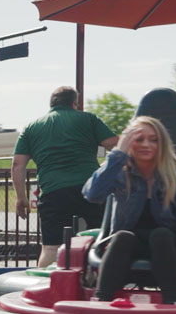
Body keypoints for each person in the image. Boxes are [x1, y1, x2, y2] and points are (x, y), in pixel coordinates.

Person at [83, 115, 176, 304]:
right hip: (130, 245)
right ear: (128, 142)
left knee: (160, 234)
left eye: (153, 140)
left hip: (171, 245)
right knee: (122, 236)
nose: (146, 144)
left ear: (161, 144)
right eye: (139, 139)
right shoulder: (119, 170)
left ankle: (172, 301)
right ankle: (101, 299)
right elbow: (92, 194)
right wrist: (118, 154)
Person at [12, 86, 118, 267]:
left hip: (53, 192)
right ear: (74, 103)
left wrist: (21, 198)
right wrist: (103, 169)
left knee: (51, 248)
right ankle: (104, 288)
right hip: (91, 190)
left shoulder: (31, 127)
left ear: (52, 103)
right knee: (103, 240)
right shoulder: (88, 119)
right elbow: (117, 147)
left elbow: (17, 165)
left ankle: (45, 288)